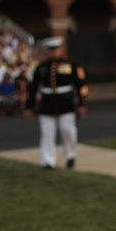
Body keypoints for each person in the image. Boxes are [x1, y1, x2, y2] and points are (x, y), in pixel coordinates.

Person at [24, 37, 88, 170]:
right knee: (47, 134)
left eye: (56, 49)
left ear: (61, 49)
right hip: (47, 103)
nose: (54, 52)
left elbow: (81, 86)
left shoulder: (71, 65)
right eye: (51, 50)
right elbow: (33, 88)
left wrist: (82, 103)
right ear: (47, 51)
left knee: (68, 131)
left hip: (65, 103)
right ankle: (48, 161)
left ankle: (70, 155)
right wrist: (29, 107)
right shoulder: (41, 68)